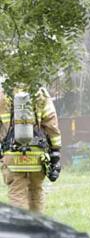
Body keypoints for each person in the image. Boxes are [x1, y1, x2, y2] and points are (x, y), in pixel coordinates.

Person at [0, 84, 62, 212]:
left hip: (12, 153)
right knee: (37, 191)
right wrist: (55, 153)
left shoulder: (4, 93)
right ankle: (37, 228)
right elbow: (52, 125)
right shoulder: (41, 94)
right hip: (37, 154)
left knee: (17, 193)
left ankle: (21, 228)